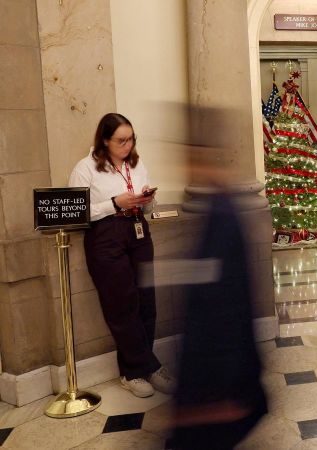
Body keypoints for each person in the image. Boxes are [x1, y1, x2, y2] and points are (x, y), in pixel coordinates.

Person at [170, 138, 267, 450]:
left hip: (220, 336)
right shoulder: (221, 205)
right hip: (220, 332)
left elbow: (220, 276)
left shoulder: (224, 211)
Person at [68, 113, 174, 398]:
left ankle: (142, 368)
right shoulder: (85, 168)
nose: (127, 145)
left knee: (146, 301)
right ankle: (137, 371)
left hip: (138, 229)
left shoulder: (136, 165)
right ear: (105, 140)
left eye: (131, 139)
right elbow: (77, 212)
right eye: (121, 140)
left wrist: (149, 199)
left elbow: (151, 208)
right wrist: (115, 203)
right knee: (121, 304)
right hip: (105, 237)